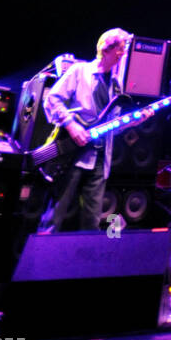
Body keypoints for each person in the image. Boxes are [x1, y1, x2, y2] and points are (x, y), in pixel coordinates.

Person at [41, 29, 132, 232]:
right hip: (72, 154)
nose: (123, 53)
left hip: (99, 158)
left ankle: (87, 258)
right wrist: (71, 124)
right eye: (120, 48)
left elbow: (112, 127)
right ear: (106, 48)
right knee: (55, 214)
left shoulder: (116, 86)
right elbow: (52, 99)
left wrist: (132, 122)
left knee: (92, 221)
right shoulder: (79, 71)